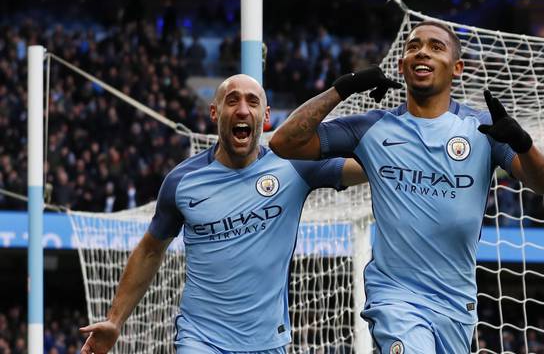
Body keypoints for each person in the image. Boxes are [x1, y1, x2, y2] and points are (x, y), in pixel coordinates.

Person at [269, 21, 544, 353]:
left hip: (455, 301)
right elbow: (284, 142)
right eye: (413, 46)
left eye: (436, 47)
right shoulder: (372, 127)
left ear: (457, 68)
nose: (422, 51)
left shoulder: (482, 129)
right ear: (401, 64)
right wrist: (344, 87)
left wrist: (523, 144)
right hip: (396, 297)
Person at [79, 74, 366, 354]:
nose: (242, 109)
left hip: (268, 341)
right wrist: (115, 320)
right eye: (232, 101)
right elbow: (150, 251)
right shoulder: (182, 182)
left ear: (265, 116)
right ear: (214, 113)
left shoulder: (294, 166)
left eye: (252, 102)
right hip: (200, 338)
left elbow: (369, 169)